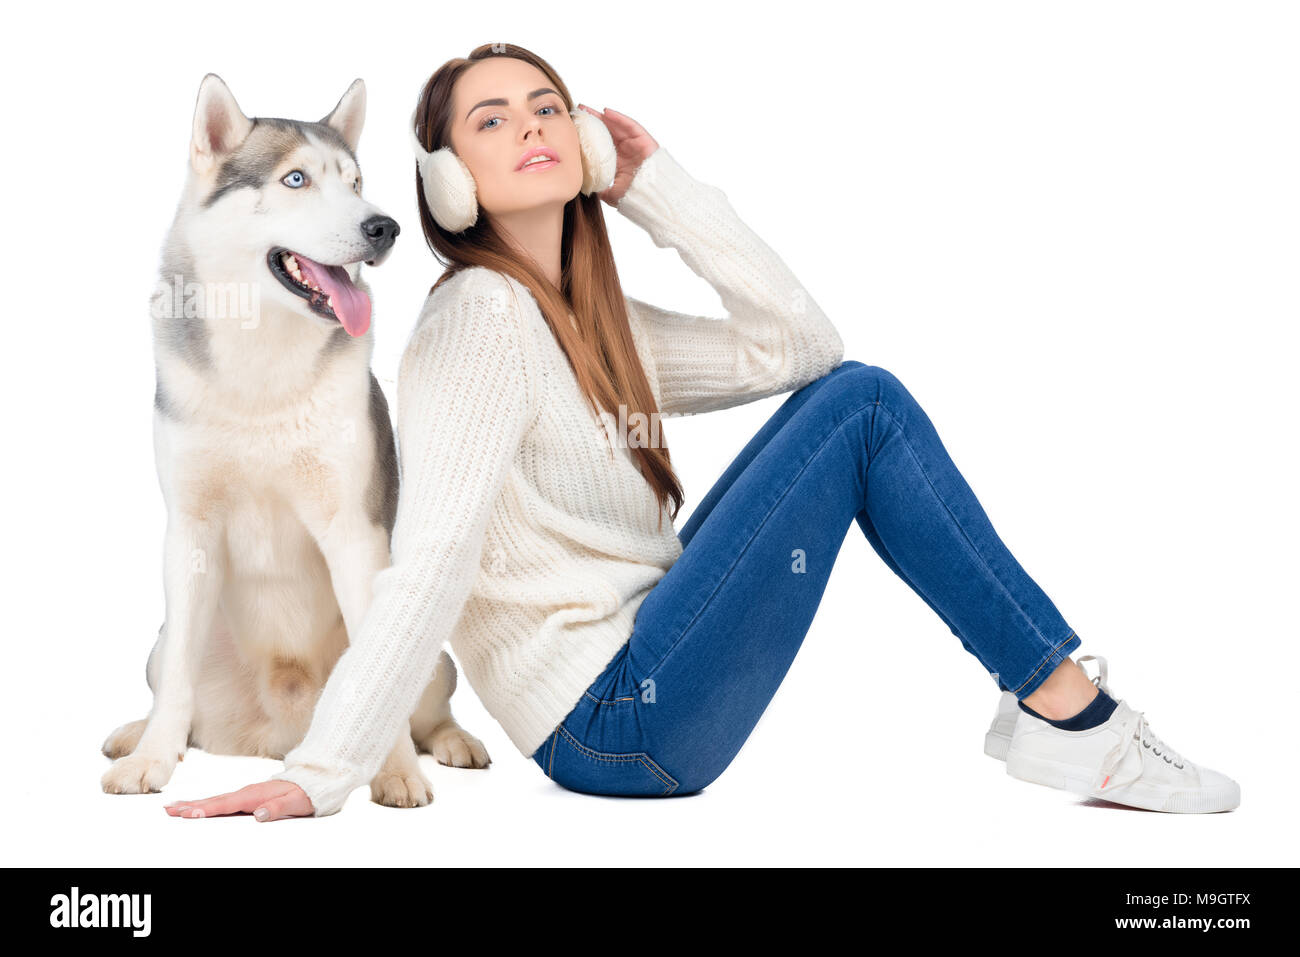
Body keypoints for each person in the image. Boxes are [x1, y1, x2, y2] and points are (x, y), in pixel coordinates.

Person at [165, 43, 1239, 822]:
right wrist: (328, 768)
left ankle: (1051, 708)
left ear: (580, 143)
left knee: (852, 393)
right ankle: (1074, 716)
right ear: (448, 182)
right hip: (614, 723)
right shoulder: (477, 321)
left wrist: (656, 190)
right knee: (865, 409)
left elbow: (799, 347)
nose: (529, 127)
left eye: (548, 109)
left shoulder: (587, 325)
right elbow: (432, 556)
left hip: (640, 680)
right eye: (489, 120)